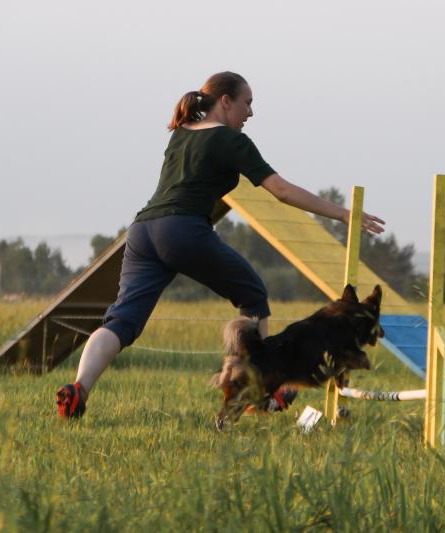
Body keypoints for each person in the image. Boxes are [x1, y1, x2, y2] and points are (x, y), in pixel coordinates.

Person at [56, 71, 385, 419]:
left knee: (122, 321)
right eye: (248, 103)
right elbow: (282, 191)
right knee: (254, 296)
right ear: (226, 102)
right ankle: (259, 391)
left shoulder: (180, 135)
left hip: (141, 231)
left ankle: (79, 389)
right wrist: (343, 214)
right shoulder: (231, 141)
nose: (251, 114)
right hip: (182, 230)